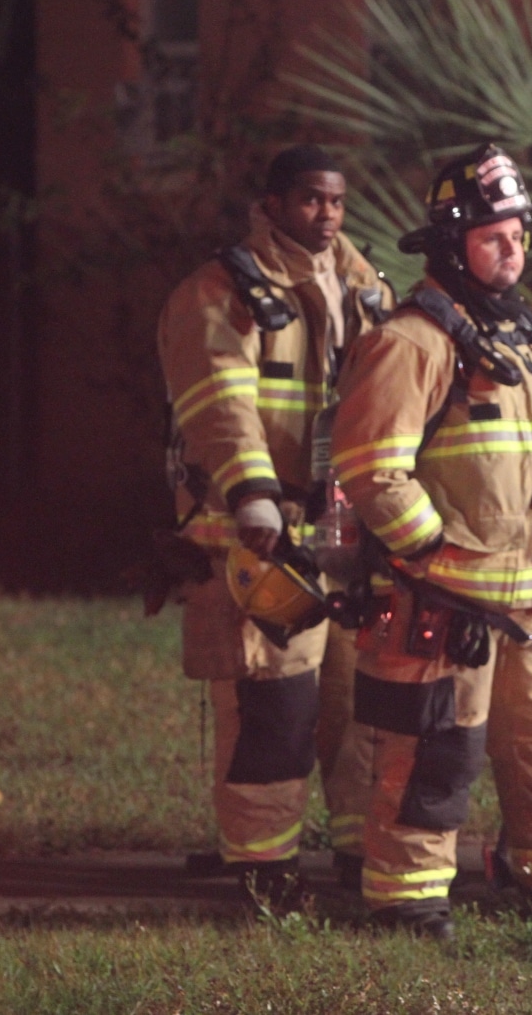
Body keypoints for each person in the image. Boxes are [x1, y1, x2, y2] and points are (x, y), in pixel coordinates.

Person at [330, 144, 532, 937]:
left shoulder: (524, 338)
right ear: (451, 242)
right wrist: (430, 558)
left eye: (520, 235)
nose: (514, 250)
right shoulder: (412, 341)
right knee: (432, 754)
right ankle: (406, 900)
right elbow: (371, 470)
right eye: (495, 236)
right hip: (443, 609)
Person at [157, 145, 390, 906]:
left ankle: (359, 850)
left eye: (336, 202)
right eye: (311, 200)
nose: (326, 215)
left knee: (358, 703)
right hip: (263, 530)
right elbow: (218, 401)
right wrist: (252, 492)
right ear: (274, 204)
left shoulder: (366, 286)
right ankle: (263, 866)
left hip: (347, 528)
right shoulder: (222, 290)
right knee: (272, 705)